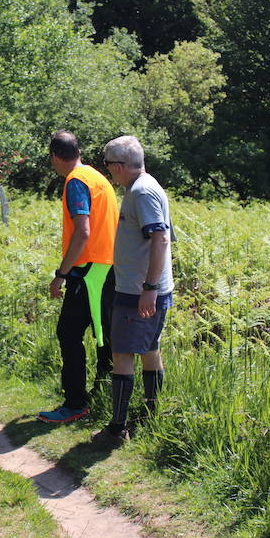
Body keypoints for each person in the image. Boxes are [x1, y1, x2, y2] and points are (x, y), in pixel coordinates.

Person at [93, 135, 174, 446]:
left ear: (119, 165)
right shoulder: (147, 186)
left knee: (123, 354)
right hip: (146, 288)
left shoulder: (142, 192)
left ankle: (116, 429)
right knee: (149, 349)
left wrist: (149, 288)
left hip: (138, 291)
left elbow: (161, 239)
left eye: (109, 166)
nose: (108, 172)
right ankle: (149, 413)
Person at [38, 130, 118, 424]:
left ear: (55, 157)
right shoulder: (98, 177)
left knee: (69, 333)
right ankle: (104, 394)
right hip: (108, 267)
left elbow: (83, 231)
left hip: (86, 272)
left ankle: (75, 403)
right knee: (103, 334)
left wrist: (61, 274)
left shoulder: (75, 182)